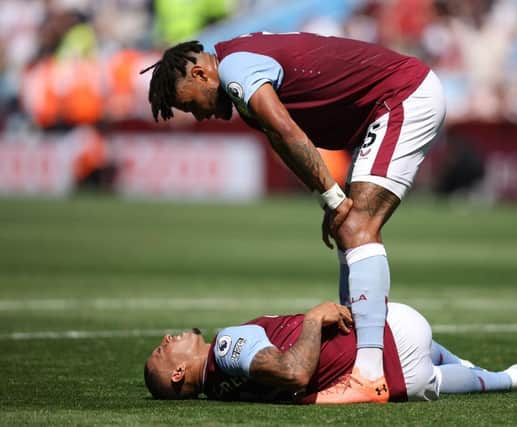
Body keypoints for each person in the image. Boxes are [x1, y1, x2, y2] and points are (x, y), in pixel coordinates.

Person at [141, 32, 446, 403]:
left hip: (401, 97)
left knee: (356, 225)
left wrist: (335, 198)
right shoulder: (242, 73)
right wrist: (328, 199)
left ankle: (368, 371)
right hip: (383, 107)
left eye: (191, 105)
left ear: (201, 74)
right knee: (347, 228)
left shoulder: (237, 70)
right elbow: (280, 140)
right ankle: (368, 352)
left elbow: (287, 130)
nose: (201, 115)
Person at [143, 301, 517, 403]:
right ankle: (502, 375)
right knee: (431, 366)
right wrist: (314, 319)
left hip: (400, 372)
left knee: (437, 379)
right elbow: (294, 373)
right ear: (178, 373)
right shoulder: (227, 348)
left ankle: (511, 378)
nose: (165, 338)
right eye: (162, 351)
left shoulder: (220, 389)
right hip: (384, 343)